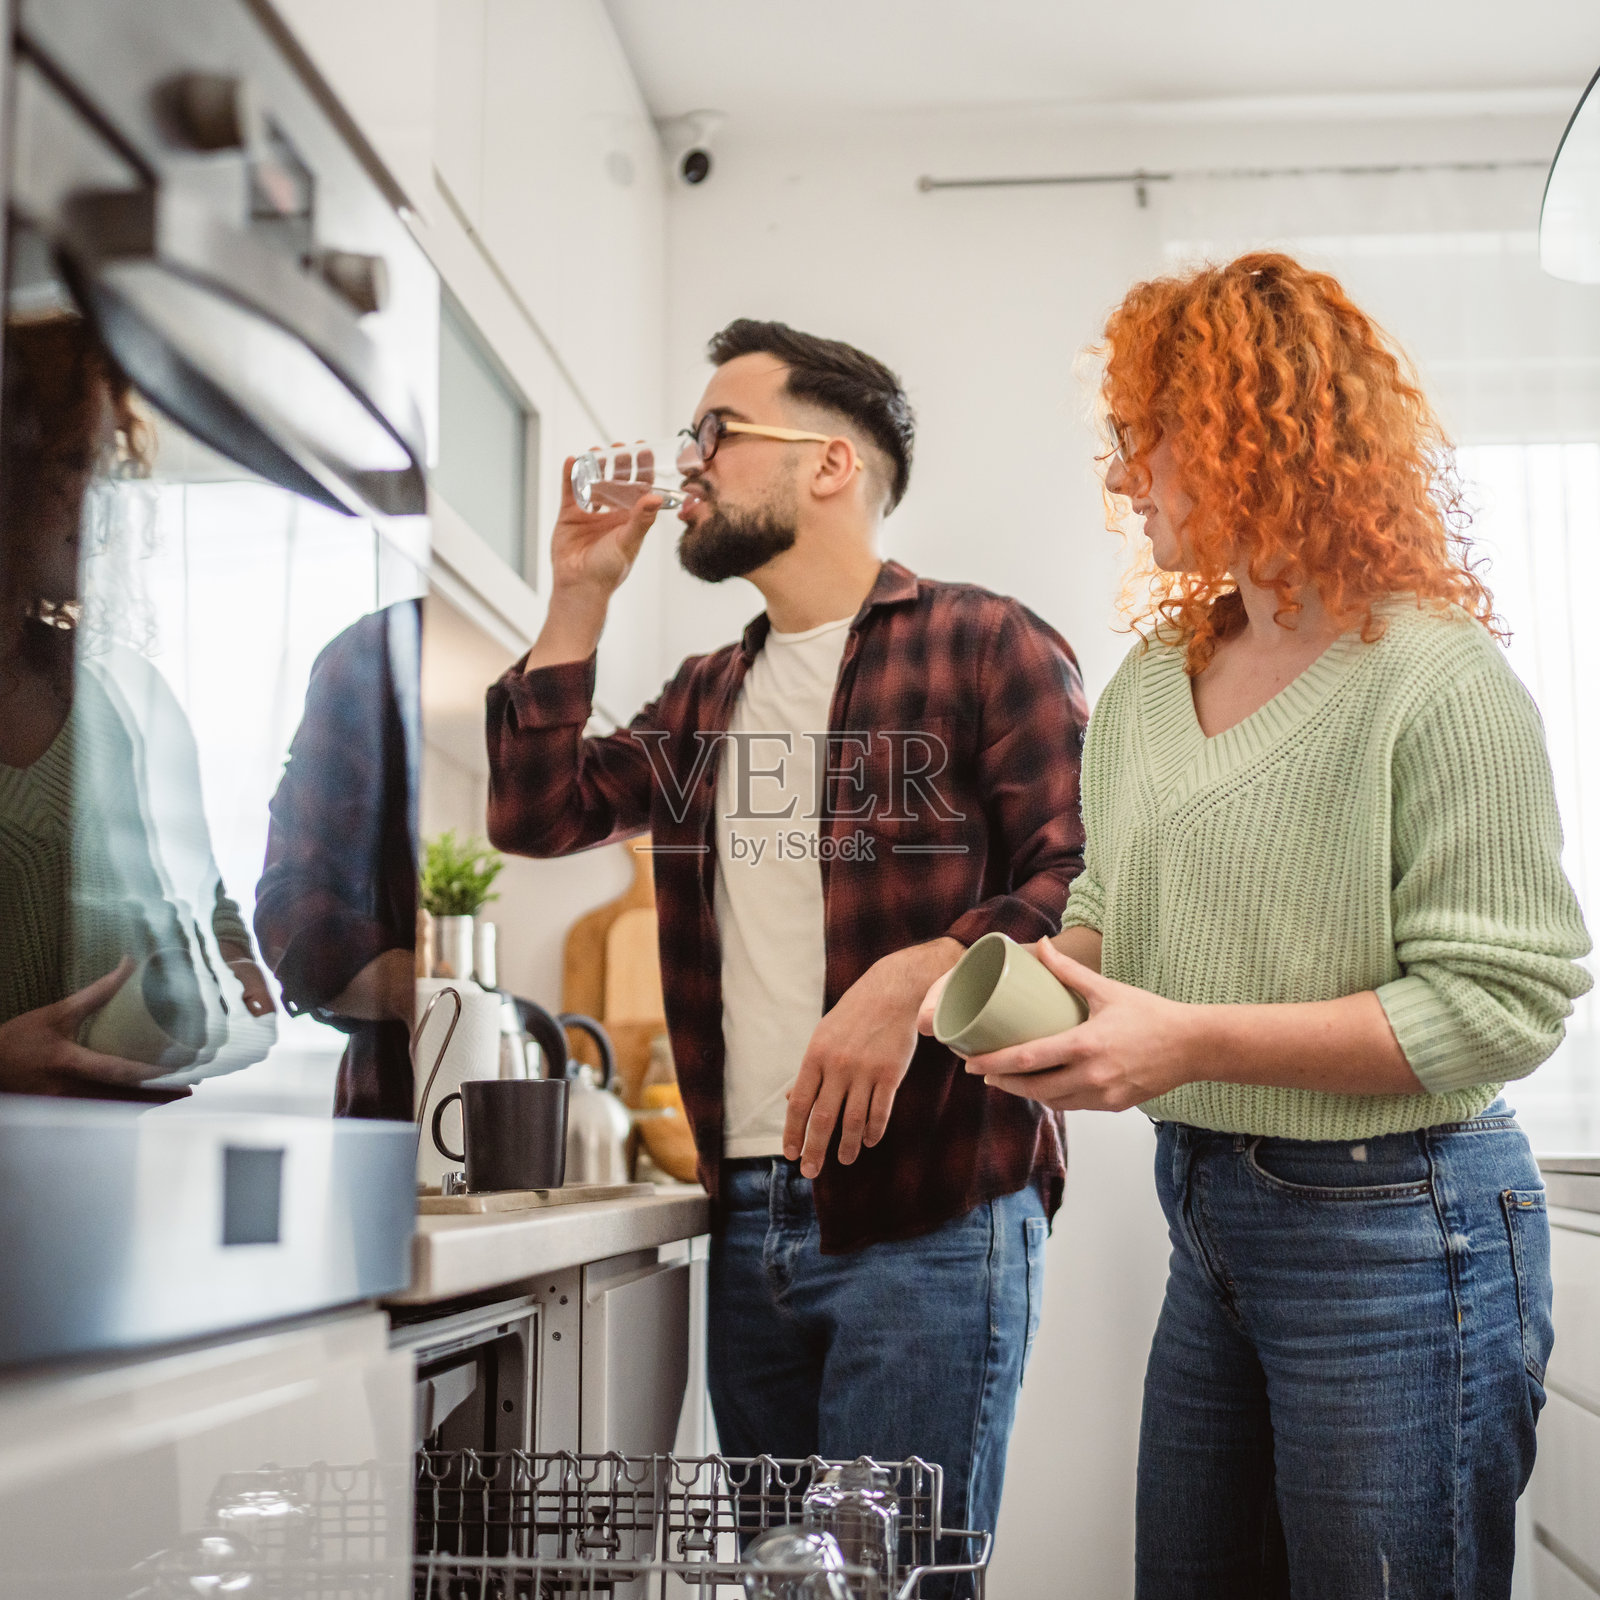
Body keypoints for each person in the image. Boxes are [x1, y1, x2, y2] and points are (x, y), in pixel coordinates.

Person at [923, 252, 1593, 1598]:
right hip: (1213, 1212)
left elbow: (1501, 1005)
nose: (1122, 481)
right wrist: (1053, 1004)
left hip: (1406, 1232)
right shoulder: (1157, 685)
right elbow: (1114, 908)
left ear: (1249, 427)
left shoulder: (1436, 681)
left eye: (1142, 440)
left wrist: (1185, 1042)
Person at [486, 320, 1088, 1552]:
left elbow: (1084, 881)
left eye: (716, 432)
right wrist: (578, 594)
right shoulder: (706, 695)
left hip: (930, 1208)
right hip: (747, 1207)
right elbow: (535, 810)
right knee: (777, 1582)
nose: (687, 464)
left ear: (827, 464)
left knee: (893, 1586)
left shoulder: (987, 644)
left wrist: (915, 976)